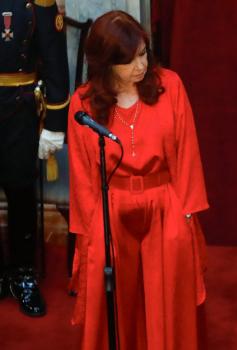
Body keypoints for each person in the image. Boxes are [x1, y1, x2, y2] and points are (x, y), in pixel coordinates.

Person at [67, 10, 208, 350]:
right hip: (110, 207)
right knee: (110, 290)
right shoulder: (82, 103)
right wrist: (89, 235)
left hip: (165, 202)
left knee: (170, 290)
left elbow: (187, 154)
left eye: (143, 54)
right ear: (105, 63)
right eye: (129, 60)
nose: (141, 66)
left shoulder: (169, 86)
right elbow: (84, 177)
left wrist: (186, 216)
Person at [0, 0, 69, 316]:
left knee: (20, 188)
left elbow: (54, 59)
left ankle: (22, 273)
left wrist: (55, 123)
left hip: (19, 107)